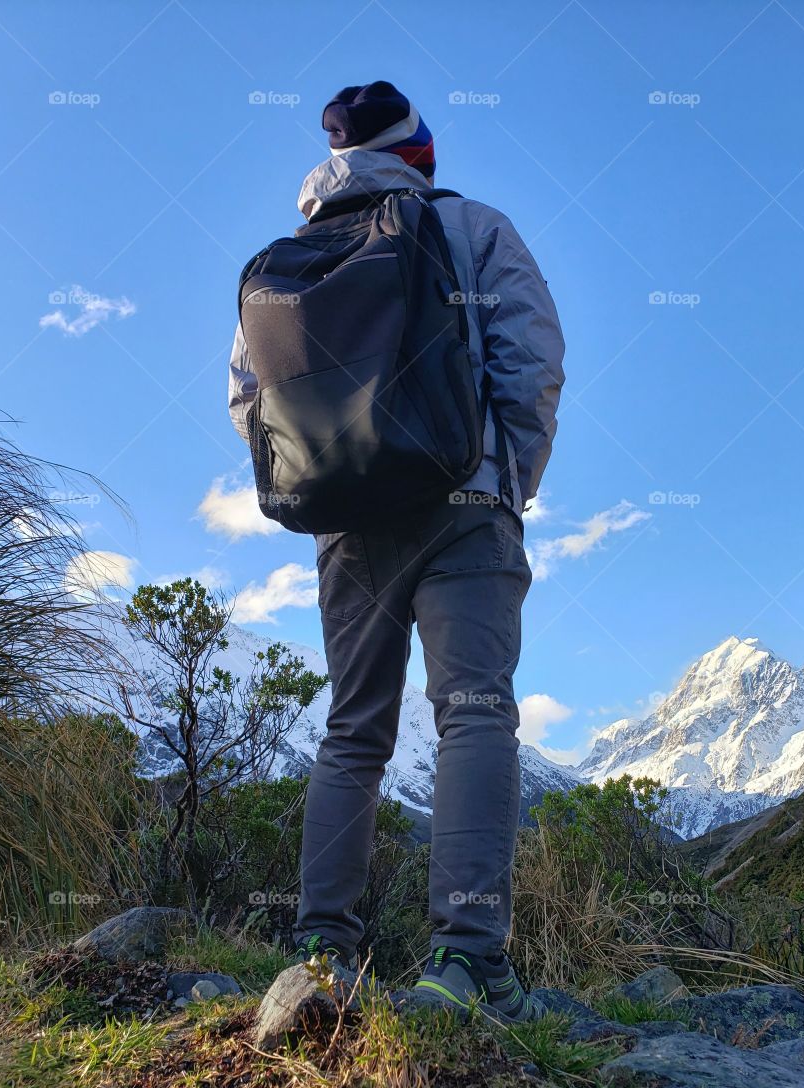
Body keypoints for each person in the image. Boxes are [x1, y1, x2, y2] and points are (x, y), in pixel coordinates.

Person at [229, 80, 564, 1022]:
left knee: (354, 729)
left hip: (346, 524)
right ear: (418, 153)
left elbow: (247, 399)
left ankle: (321, 950)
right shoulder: (470, 228)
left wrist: (329, 482)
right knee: (474, 712)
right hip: (464, 501)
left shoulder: (286, 260)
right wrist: (509, 479)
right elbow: (532, 361)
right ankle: (464, 964)